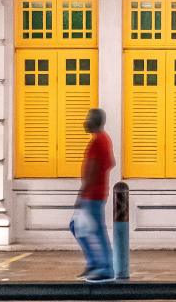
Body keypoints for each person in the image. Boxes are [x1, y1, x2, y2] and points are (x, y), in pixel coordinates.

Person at [72, 108, 116, 281]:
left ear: (96, 121)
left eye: (88, 118)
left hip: (92, 195)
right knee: (79, 228)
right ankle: (94, 263)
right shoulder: (103, 139)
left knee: (95, 231)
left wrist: (82, 193)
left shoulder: (99, 141)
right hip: (96, 193)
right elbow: (110, 162)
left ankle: (104, 267)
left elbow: (93, 168)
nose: (86, 121)